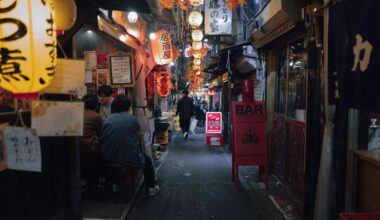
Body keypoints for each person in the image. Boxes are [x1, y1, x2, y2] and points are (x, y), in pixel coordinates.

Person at [100, 94, 159, 196]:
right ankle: (151, 187)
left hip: (108, 157)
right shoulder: (132, 119)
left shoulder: (108, 120)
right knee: (148, 161)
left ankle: (116, 184)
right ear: (128, 106)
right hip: (128, 157)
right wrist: (144, 153)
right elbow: (140, 139)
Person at [80, 94, 103, 190]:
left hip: (78, 147)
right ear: (95, 105)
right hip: (90, 148)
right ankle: (97, 181)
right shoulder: (96, 116)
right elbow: (101, 132)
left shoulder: (77, 113)